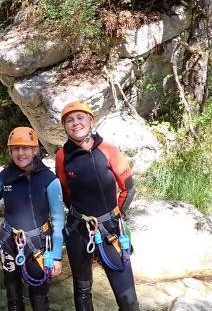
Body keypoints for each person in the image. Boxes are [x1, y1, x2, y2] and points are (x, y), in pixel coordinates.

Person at [55, 101, 139, 311]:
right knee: (83, 292)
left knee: (128, 300)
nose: (75, 123)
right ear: (64, 126)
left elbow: (128, 189)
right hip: (78, 230)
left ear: (91, 120)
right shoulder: (62, 156)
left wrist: (115, 216)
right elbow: (66, 194)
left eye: (80, 118)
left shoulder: (108, 150)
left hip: (110, 229)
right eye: (69, 120)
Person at [0, 127, 64, 311]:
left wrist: (56, 256)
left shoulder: (49, 179)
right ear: (10, 151)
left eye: (26, 148)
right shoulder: (3, 177)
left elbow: (58, 220)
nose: (20, 153)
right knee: (13, 296)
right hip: (9, 244)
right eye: (15, 148)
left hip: (38, 246)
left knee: (39, 299)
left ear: (35, 150)